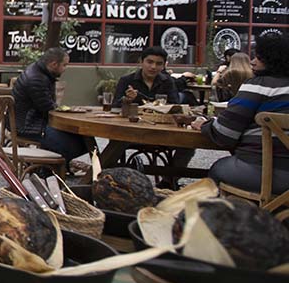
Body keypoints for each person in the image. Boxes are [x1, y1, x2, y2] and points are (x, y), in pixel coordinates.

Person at [191, 32, 289, 194]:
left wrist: (205, 124)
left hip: (261, 172)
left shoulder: (258, 86)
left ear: (272, 60)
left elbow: (225, 134)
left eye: (258, 57)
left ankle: (232, 217)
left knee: (218, 169)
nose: (252, 61)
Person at [102, 46, 194, 170]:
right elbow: (115, 107)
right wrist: (127, 100)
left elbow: (175, 106)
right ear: (141, 62)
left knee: (189, 144)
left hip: (162, 131)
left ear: (164, 66)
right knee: (117, 140)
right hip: (132, 131)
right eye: (150, 62)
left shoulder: (168, 81)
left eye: (158, 64)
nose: (153, 67)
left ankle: (168, 181)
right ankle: (109, 175)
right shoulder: (127, 80)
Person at [11, 47, 90, 167]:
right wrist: (69, 111)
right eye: (64, 65)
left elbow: (48, 106)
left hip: (28, 122)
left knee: (82, 137)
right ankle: (47, 168)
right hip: (27, 126)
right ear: (54, 64)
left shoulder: (38, 71)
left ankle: (52, 167)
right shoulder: (37, 79)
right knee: (79, 143)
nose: (65, 69)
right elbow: (48, 109)